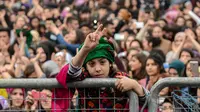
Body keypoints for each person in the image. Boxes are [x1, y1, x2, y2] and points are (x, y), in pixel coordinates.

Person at [52, 24, 148, 111]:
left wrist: (135, 86)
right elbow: (69, 73)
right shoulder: (82, 78)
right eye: (92, 64)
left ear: (110, 63)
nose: (97, 69)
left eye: (102, 62)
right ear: (86, 67)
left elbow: (148, 103)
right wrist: (85, 49)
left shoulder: (121, 79)